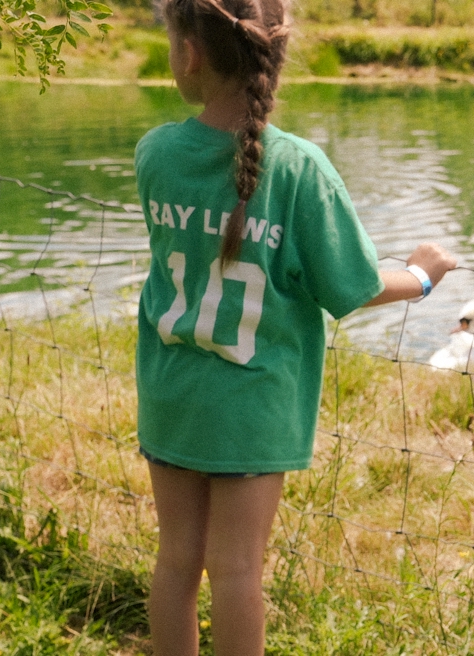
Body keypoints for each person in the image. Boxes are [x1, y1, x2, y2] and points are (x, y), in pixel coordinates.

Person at [133, 0, 457, 653]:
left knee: (175, 563)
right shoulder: (301, 170)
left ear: (189, 53)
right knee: (237, 570)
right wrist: (420, 277)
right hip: (252, 408)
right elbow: (353, 286)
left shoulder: (155, 154)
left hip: (170, 397)